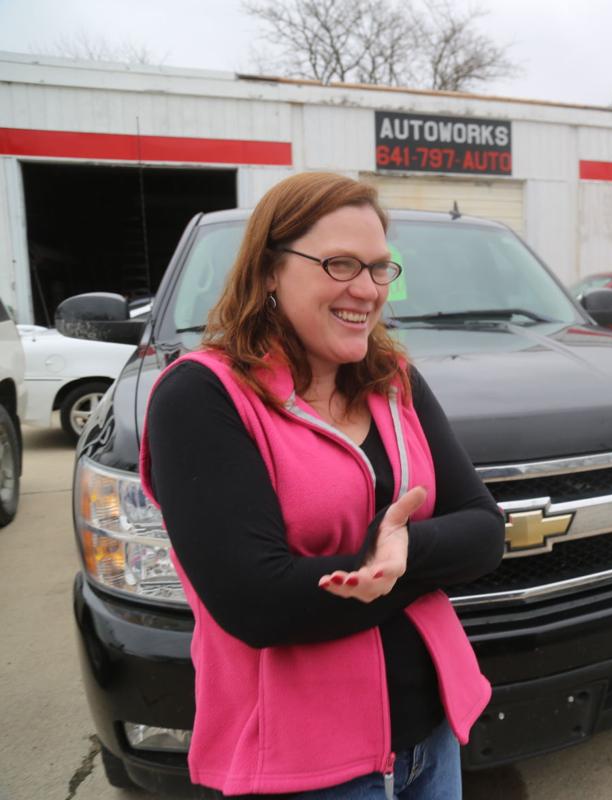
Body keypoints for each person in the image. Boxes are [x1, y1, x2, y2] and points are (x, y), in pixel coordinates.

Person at [140, 172, 506, 798]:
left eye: (379, 268)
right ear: (269, 272)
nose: (367, 289)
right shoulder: (203, 396)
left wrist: (405, 551)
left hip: (433, 736)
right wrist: (410, 562)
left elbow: (486, 532)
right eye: (340, 264)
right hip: (307, 768)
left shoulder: (394, 380)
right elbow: (259, 604)